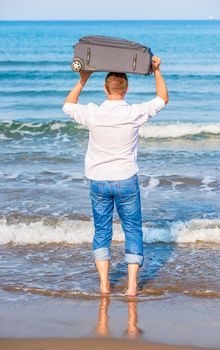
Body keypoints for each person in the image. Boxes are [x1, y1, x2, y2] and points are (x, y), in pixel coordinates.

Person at [63, 56, 168, 296]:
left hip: (98, 180)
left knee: (102, 231)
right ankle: (131, 286)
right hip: (126, 179)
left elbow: (67, 105)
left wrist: (82, 80)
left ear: (105, 88)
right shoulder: (133, 112)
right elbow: (163, 98)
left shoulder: (93, 113)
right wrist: (157, 70)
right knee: (133, 230)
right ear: (126, 88)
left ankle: (104, 284)